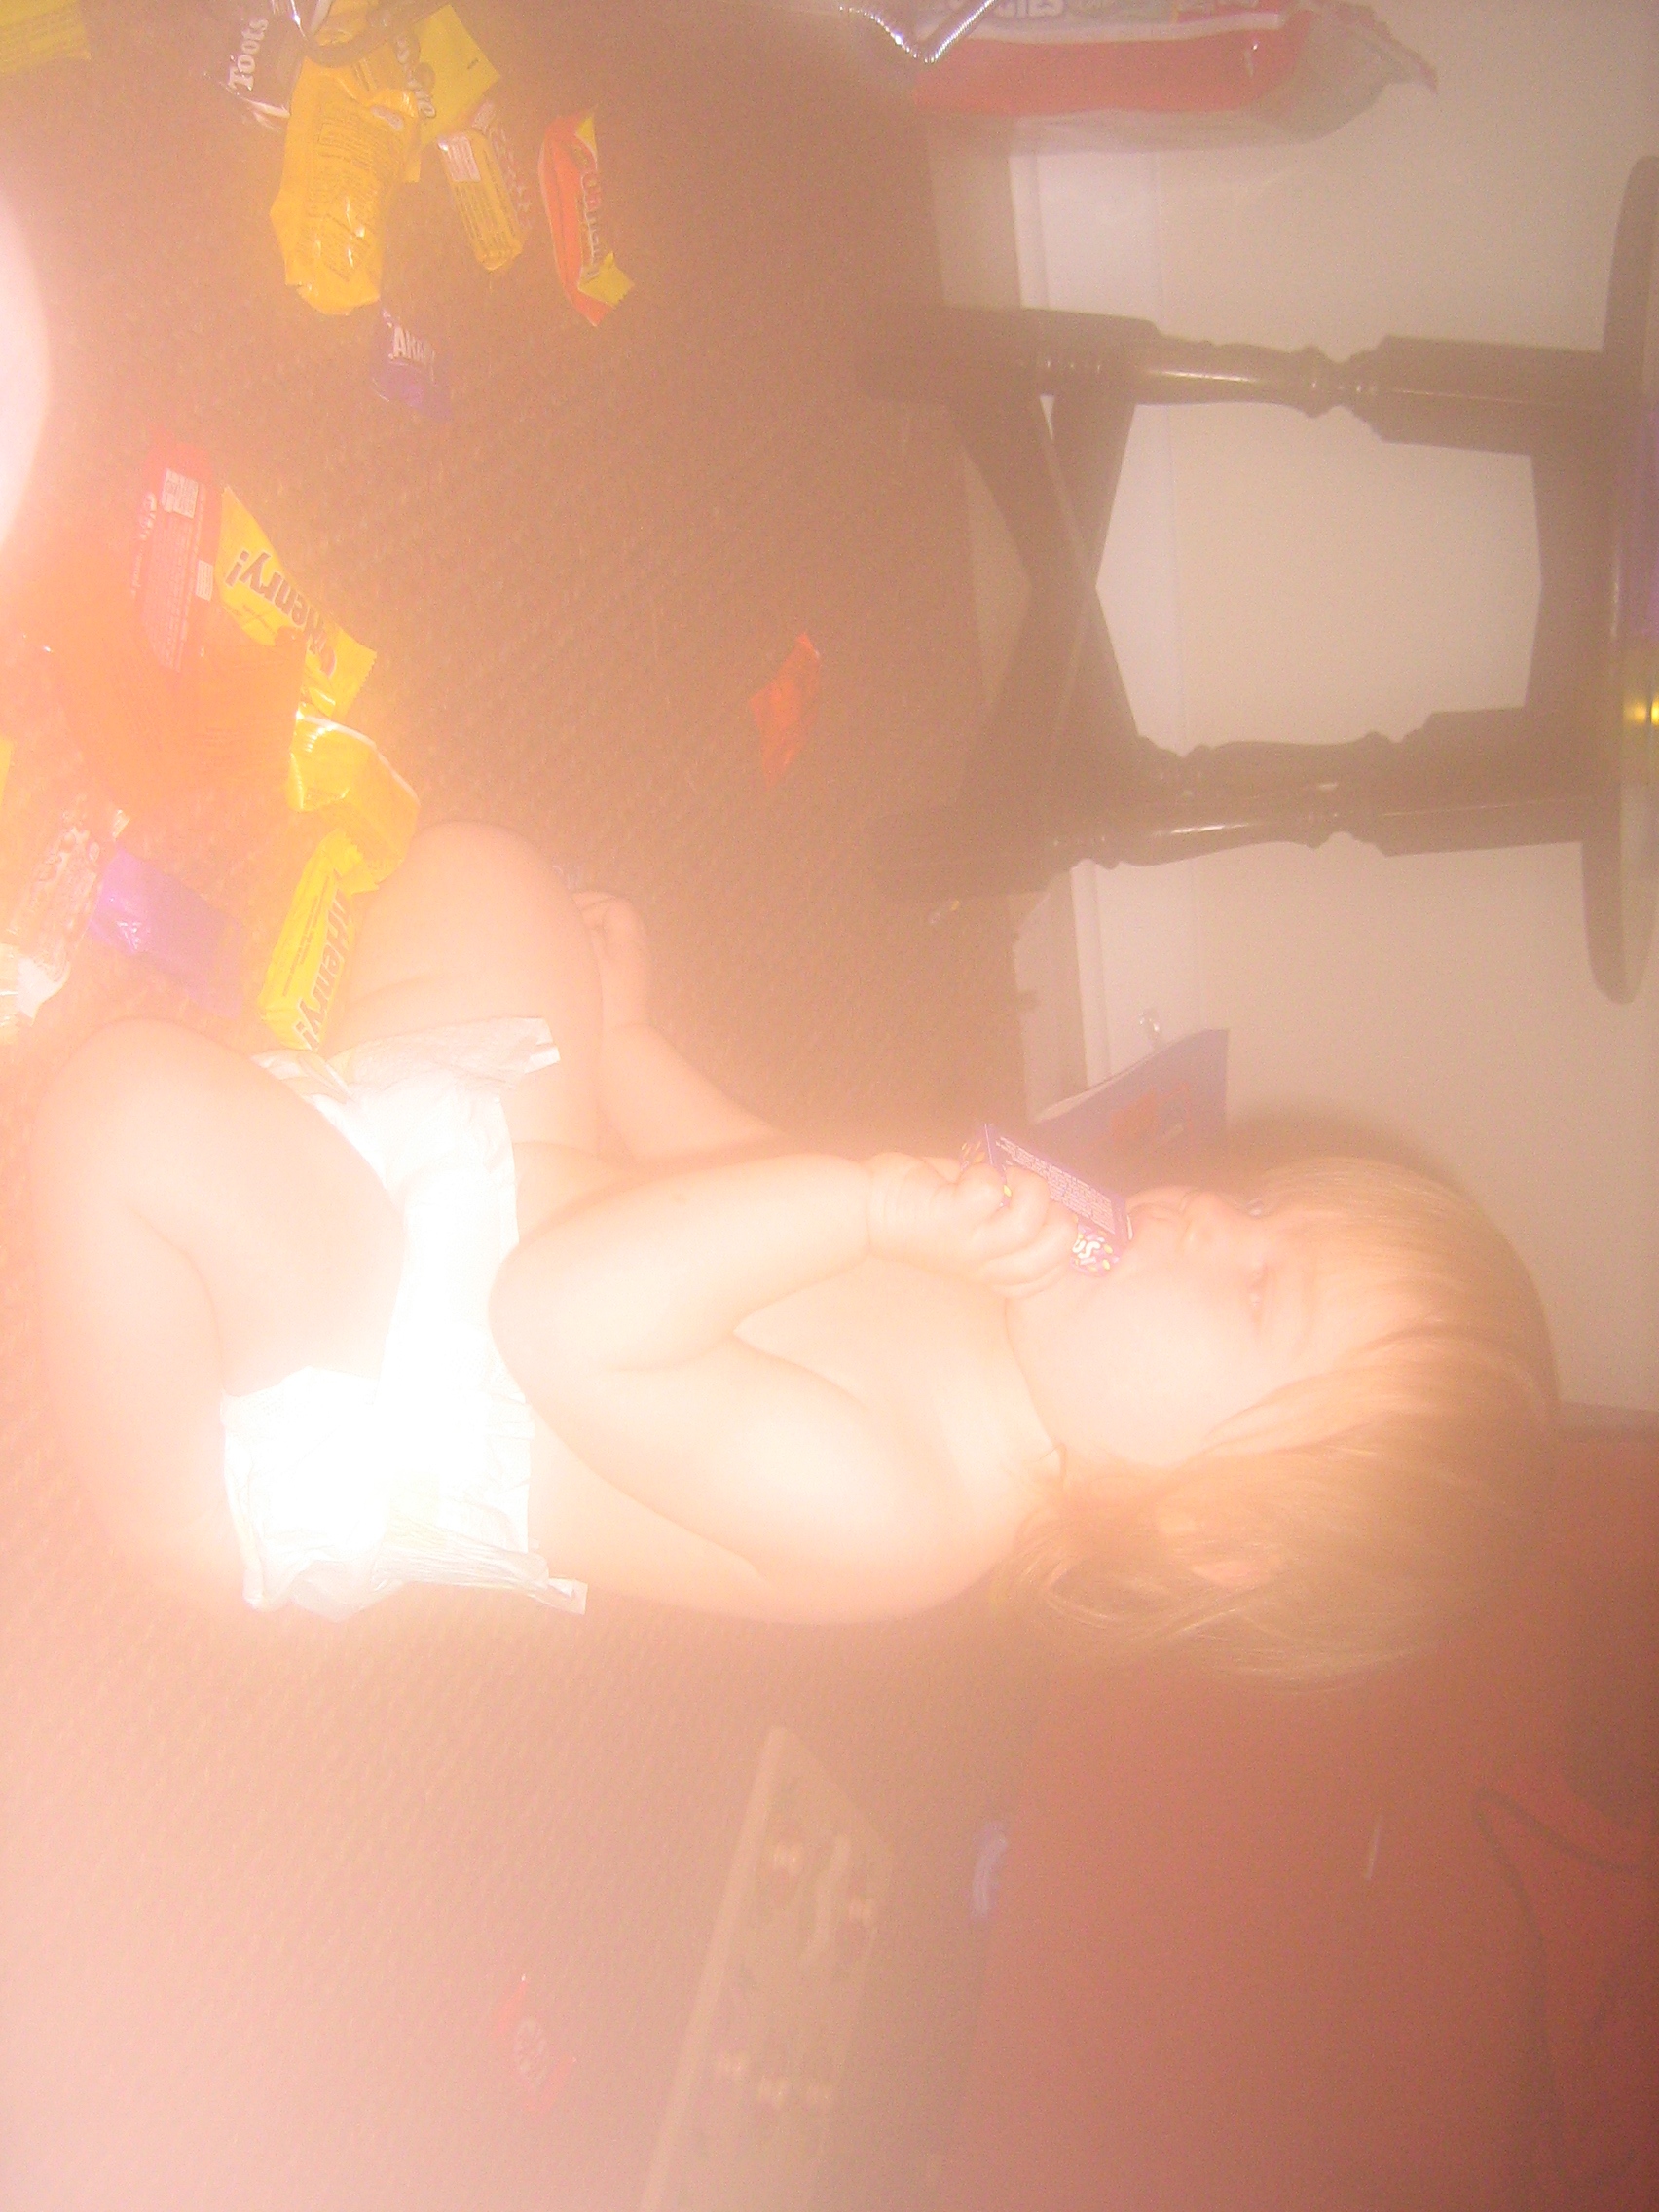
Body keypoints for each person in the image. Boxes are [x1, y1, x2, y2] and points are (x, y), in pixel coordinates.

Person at [29, 823, 1559, 1679]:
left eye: (1262, 1291)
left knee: (124, 1111)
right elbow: (735, 1176)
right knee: (490, 877)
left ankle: (172, 1511)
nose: (1222, 1222)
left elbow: (558, 1321)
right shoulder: (1009, 1300)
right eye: (1269, 1208)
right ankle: (305, 1146)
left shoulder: (905, 1516)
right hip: (488, 1184)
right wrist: (630, 1044)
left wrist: (868, 1204)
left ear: (1219, 1532)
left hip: (395, 1379)